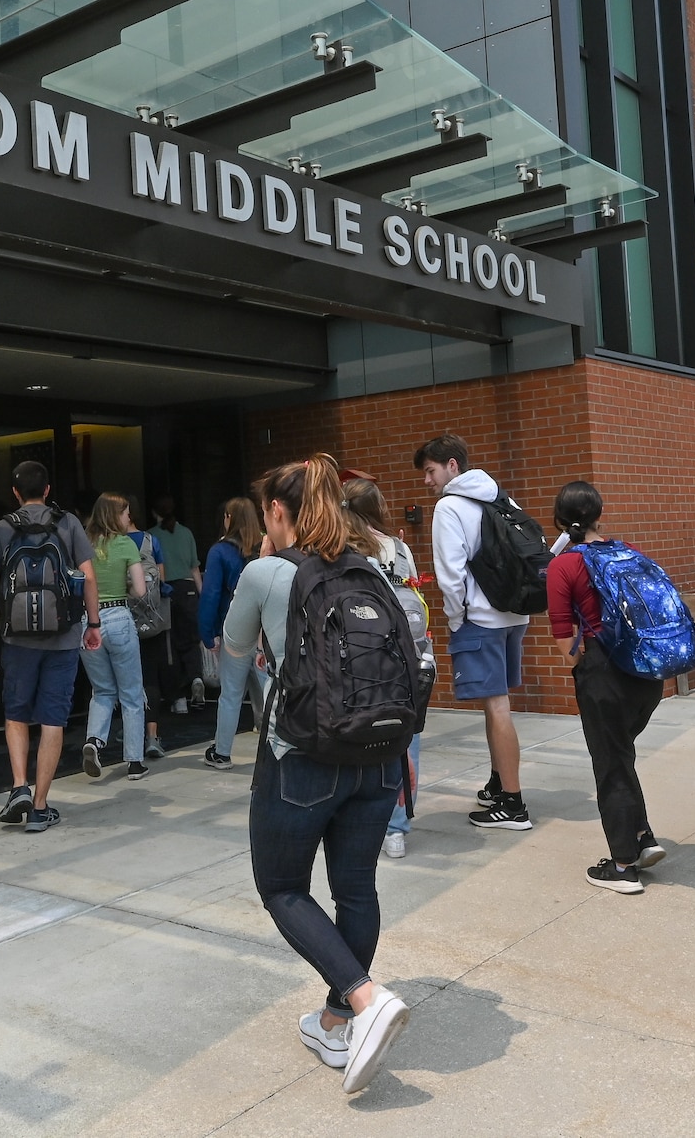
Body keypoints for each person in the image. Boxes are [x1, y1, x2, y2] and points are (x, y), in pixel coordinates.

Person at [224, 454, 411, 1094]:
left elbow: (234, 649)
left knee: (281, 887)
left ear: (277, 513)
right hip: (382, 751)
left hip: (304, 756)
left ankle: (362, 998)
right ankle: (336, 1021)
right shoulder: (375, 564)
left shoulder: (266, 571)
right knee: (356, 887)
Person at [546, 481, 669, 895]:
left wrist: (582, 663)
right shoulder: (628, 551)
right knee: (620, 754)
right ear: (599, 514)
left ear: (561, 522)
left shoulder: (564, 565)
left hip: (604, 674)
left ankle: (622, 867)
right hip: (647, 674)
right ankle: (642, 838)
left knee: (610, 765)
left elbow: (565, 637)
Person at [414, 434, 534, 830]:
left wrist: (455, 617)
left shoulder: (450, 506)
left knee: (497, 707)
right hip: (514, 614)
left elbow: (451, 573)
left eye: (430, 471)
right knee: (493, 703)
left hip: (479, 618)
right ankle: (500, 783)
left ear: (452, 465)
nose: (427, 481)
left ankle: (513, 806)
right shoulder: (499, 495)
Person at [0, 461, 100, 835]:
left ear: (15, 492)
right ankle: (41, 807)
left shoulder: (3, 528)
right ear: (47, 490)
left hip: (17, 640)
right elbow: (88, 577)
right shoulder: (69, 523)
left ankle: (18, 787)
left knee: (16, 714)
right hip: (62, 638)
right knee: (52, 719)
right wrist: (93, 624)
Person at [341, 473, 431, 860]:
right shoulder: (399, 547)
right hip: (408, 659)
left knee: (356, 735)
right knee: (404, 738)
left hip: (362, 659)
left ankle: (359, 819)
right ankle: (396, 827)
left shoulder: (342, 549)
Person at [80, 493, 152, 782]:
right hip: (119, 617)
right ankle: (134, 761)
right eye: (125, 513)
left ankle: (95, 740)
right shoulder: (125, 544)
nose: (128, 518)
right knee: (131, 693)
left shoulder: (83, 545)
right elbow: (140, 590)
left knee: (102, 690)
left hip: (89, 622)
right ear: (114, 515)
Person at [201, 497, 264, 768]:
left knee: (230, 695)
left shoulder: (219, 551)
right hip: (265, 630)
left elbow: (211, 594)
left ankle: (223, 753)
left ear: (229, 517)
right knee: (270, 691)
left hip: (235, 629)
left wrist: (208, 632)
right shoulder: (266, 547)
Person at [125, 495, 172, 761]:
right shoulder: (152, 541)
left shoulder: (113, 545)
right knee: (151, 676)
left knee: (129, 679)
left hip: (124, 620)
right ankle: (153, 737)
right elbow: (161, 580)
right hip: (152, 620)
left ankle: (130, 735)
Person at [152, 495, 208, 713]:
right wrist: (202, 597)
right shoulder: (186, 533)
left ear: (154, 512)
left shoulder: (151, 536)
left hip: (165, 591)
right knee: (191, 641)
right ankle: (196, 678)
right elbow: (195, 568)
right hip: (189, 589)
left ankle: (179, 698)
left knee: (170, 646)